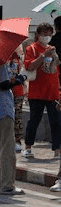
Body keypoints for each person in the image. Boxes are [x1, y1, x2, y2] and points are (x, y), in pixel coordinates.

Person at [0, 63, 26, 195]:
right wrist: (18, 81)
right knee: (7, 149)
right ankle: (7, 185)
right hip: (3, 109)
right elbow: (3, 85)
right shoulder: (0, 65)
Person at [22, 22, 61, 158]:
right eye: (45, 35)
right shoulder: (31, 49)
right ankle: (27, 146)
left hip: (52, 91)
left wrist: (55, 56)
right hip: (37, 92)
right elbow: (30, 66)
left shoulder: (52, 48)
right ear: (38, 34)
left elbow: (57, 68)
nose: (47, 37)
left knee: (56, 122)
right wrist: (43, 55)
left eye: (50, 35)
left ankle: (57, 149)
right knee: (34, 120)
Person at [7, 46, 27, 152]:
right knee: (7, 117)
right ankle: (7, 140)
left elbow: (24, 72)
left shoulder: (20, 57)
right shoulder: (4, 56)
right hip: (6, 91)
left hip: (18, 90)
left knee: (18, 116)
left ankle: (18, 140)